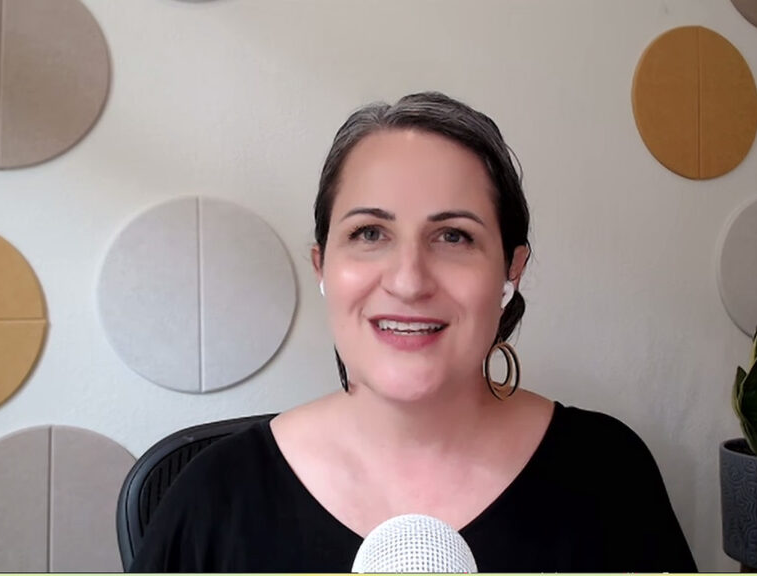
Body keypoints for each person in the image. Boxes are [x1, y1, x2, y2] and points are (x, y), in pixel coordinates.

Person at [129, 92, 697, 572]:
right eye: (370, 232)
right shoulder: (212, 497)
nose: (408, 281)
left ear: (510, 271)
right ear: (323, 265)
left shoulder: (609, 474)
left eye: (453, 237)